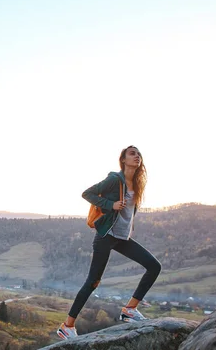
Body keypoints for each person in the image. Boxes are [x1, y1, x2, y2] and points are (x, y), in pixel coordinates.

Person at [57, 145, 162, 340]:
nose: (137, 157)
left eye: (139, 154)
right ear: (123, 159)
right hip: (106, 236)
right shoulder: (115, 180)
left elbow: (130, 211)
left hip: (122, 238)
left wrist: (130, 226)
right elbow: (87, 193)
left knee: (154, 266)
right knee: (93, 282)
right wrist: (110, 205)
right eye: (132, 154)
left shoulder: (136, 185)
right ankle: (67, 326)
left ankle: (130, 309)